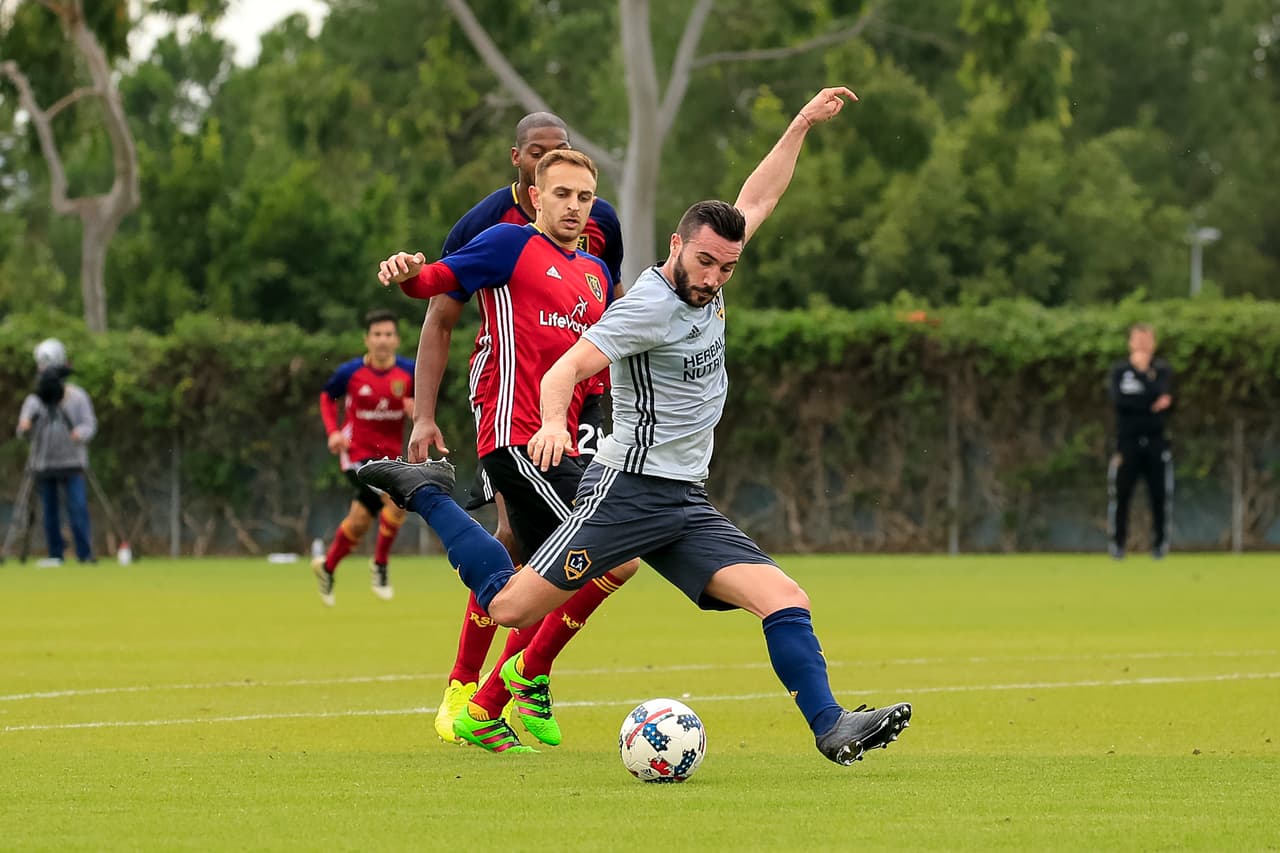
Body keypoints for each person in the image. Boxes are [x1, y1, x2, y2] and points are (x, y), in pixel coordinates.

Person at [361, 86, 913, 766]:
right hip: (624, 492)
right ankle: (429, 493)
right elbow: (565, 367)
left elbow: (759, 197)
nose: (713, 278)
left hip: (683, 499)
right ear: (677, 245)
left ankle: (832, 726)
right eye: (705, 262)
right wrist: (556, 421)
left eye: (727, 268)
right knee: (509, 606)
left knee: (783, 596)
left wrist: (800, 123)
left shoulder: (711, 272)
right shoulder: (645, 306)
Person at [377, 148, 639, 753]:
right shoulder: (508, 243)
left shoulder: (596, 274)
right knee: (614, 556)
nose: (574, 206)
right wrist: (406, 272)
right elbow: (435, 283)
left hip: (565, 443)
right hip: (515, 438)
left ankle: (488, 703)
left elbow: (593, 367)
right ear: (536, 197)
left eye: (584, 197)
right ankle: (520, 677)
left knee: (533, 576)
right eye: (562, 195)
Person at [312, 309, 415, 605]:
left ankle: (327, 568)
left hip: (389, 458)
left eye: (388, 335)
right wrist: (333, 431)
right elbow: (326, 396)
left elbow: (422, 402)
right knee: (397, 502)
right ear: (367, 339)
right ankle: (380, 565)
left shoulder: (409, 372)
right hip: (355, 455)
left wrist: (417, 410)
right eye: (376, 335)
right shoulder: (351, 372)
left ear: (396, 340)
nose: (382, 340)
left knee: (358, 522)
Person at [16, 338, 97, 567]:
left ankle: (84, 554)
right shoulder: (35, 400)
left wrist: (79, 433)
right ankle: (55, 554)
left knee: (78, 508)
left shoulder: (77, 396)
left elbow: (90, 425)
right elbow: (22, 430)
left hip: (73, 463)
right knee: (49, 512)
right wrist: (24, 426)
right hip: (43, 464)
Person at [1107, 323, 1174, 559]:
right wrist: (1149, 403)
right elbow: (1119, 402)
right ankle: (1118, 544)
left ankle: (1159, 545)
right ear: (1130, 343)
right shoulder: (1120, 370)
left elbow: (1166, 401)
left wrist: (1144, 376)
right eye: (1139, 340)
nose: (1143, 345)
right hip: (1127, 443)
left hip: (1156, 442)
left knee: (1159, 495)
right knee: (1122, 494)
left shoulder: (1162, 370)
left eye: (1147, 341)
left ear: (1153, 344)